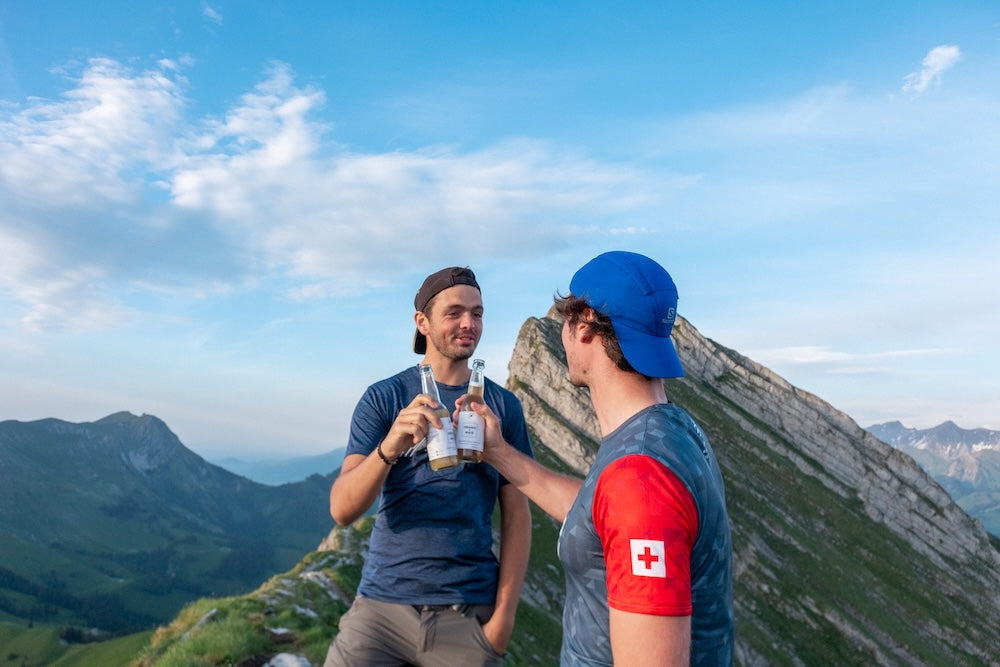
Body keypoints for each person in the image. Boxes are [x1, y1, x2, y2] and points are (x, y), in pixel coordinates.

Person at [465, 251, 734, 666]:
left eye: (565, 323)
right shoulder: (671, 430)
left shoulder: (639, 482)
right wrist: (498, 451)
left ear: (585, 324)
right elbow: (597, 514)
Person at [323, 266, 534, 667]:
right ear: (422, 321)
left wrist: (503, 620)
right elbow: (343, 509)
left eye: (477, 313)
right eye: (454, 312)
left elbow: (518, 515)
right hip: (380, 609)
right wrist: (390, 447)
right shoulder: (384, 397)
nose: (469, 323)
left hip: (467, 614)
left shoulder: (503, 406)